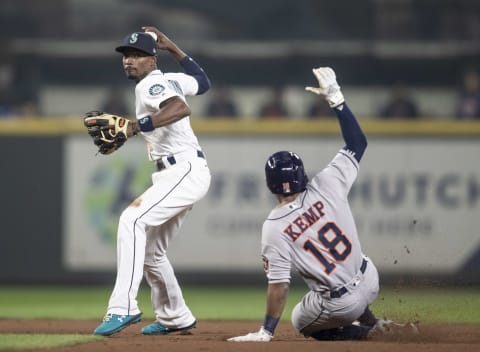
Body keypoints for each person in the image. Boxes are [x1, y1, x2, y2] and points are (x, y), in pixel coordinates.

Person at [228, 67, 417, 342]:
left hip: (342, 304)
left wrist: (266, 331)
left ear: (270, 185)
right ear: (301, 175)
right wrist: (336, 99)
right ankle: (378, 323)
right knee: (342, 280)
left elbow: (279, 287)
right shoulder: (326, 184)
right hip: (370, 279)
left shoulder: (274, 227)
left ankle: (369, 333)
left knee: (300, 321)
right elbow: (358, 142)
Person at [93, 26, 211, 336]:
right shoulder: (170, 78)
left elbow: (180, 108)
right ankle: (176, 317)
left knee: (131, 220)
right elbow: (202, 82)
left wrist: (134, 126)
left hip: (183, 170)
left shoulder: (151, 85)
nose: (129, 61)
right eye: (126, 55)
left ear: (152, 60)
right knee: (151, 253)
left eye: (137, 55)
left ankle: (123, 307)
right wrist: (175, 48)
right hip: (179, 171)